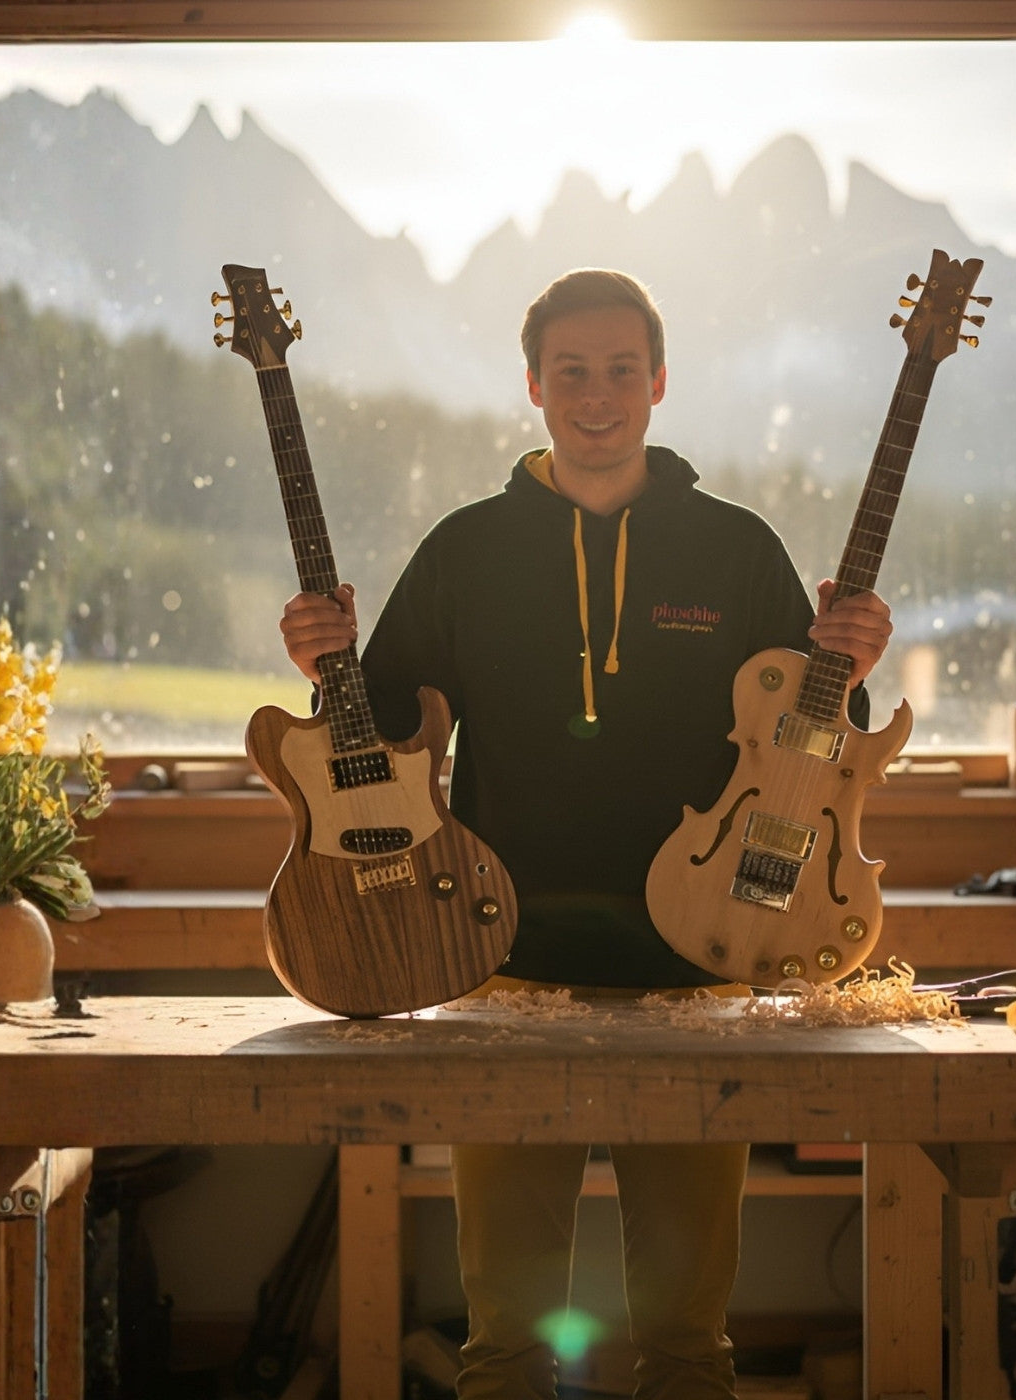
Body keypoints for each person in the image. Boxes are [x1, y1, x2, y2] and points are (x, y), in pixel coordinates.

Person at [280, 268, 893, 1400]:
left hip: (699, 975)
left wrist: (846, 665)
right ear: (532, 385)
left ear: (658, 383)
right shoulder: (465, 549)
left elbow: (810, 750)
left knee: (687, 1345)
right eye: (571, 371)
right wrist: (324, 661)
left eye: (620, 369)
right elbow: (369, 750)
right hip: (501, 967)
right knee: (504, 1344)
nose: (596, 393)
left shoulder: (735, 547)